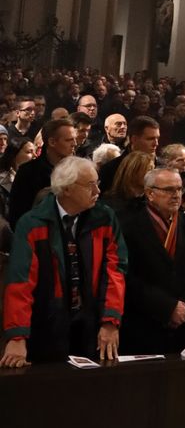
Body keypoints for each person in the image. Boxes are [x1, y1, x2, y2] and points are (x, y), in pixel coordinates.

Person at [1, 156, 126, 366]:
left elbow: (115, 270)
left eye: (98, 183)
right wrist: (17, 336)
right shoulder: (32, 223)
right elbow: (20, 282)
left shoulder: (105, 217)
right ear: (66, 189)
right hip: (47, 326)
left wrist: (111, 321)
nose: (98, 191)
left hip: (92, 323)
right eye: (90, 185)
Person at [119, 165, 185, 354]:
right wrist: (167, 307)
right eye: (169, 190)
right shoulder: (129, 227)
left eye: (179, 189)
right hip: (145, 322)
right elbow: (127, 276)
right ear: (150, 193)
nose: (176, 195)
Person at [9, 114, 78, 228]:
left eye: (74, 139)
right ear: (52, 142)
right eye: (68, 140)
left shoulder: (79, 169)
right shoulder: (28, 172)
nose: (74, 144)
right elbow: (18, 215)